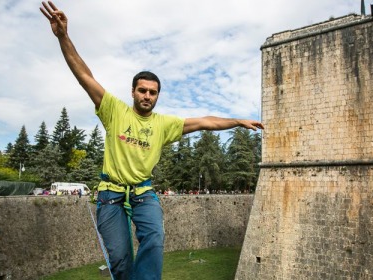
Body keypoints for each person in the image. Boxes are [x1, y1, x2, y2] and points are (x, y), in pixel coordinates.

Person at [40, 2, 264, 279]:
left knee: (155, 239)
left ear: (157, 96)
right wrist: (63, 36)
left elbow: (205, 122)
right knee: (121, 261)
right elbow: (84, 76)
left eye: (153, 92)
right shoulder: (114, 111)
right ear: (132, 92)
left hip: (143, 194)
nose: (147, 95)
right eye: (142, 90)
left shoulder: (163, 124)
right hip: (110, 194)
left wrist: (237, 121)